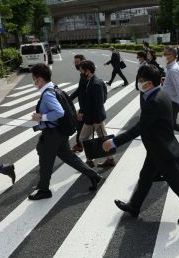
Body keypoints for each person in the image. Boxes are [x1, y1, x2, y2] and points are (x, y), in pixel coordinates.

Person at [103, 65, 179, 226]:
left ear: (150, 83)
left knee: (177, 183)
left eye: (141, 80)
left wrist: (114, 142)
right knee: (145, 177)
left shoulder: (153, 101)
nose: (138, 82)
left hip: (161, 149)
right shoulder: (161, 92)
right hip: (157, 146)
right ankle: (134, 206)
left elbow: (139, 127)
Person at [29, 64, 102, 200]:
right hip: (60, 132)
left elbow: (59, 112)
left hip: (52, 134)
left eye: (34, 79)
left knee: (45, 161)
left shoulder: (47, 94)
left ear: (39, 79)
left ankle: (44, 190)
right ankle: (93, 175)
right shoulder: (53, 87)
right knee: (68, 156)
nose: (34, 82)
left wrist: (41, 117)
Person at [79, 60, 116, 168]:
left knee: (83, 138)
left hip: (94, 118)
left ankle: (89, 159)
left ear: (88, 71)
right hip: (96, 116)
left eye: (82, 70)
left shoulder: (95, 83)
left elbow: (99, 103)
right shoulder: (95, 80)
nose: (80, 72)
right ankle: (110, 159)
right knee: (103, 138)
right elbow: (103, 98)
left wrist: (97, 121)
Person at [69, 54, 86, 153]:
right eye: (74, 62)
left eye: (77, 62)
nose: (75, 64)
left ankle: (80, 145)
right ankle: (80, 145)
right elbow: (80, 90)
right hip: (86, 107)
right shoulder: (82, 74)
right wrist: (69, 98)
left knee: (80, 124)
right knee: (80, 125)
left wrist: (82, 110)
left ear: (82, 61)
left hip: (88, 108)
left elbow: (86, 94)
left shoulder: (85, 76)